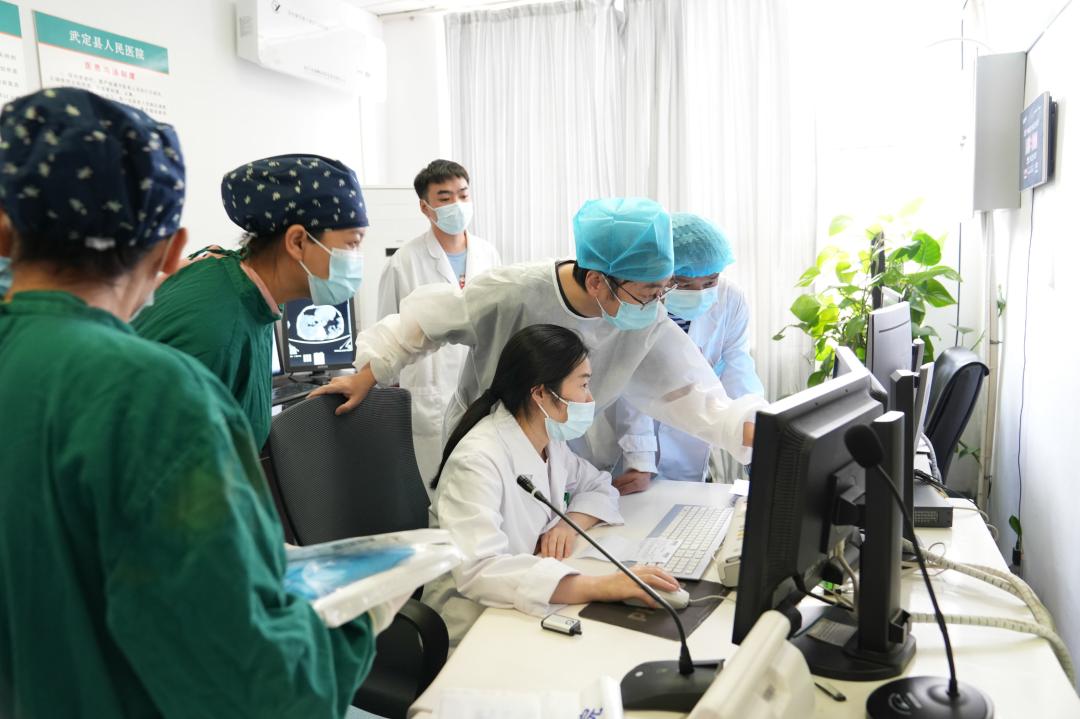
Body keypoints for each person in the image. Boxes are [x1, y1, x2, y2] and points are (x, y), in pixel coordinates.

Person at [0, 88, 387, 718]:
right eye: (353, 241)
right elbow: (257, 689)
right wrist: (359, 619)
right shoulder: (160, 390)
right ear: (169, 251)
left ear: (4, 229)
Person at [311, 197, 765, 473]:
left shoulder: (644, 317)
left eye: (663, 288)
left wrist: (756, 432)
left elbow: (691, 393)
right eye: (650, 291)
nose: (658, 302)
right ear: (597, 281)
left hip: (564, 458)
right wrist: (367, 374)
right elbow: (424, 322)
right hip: (488, 445)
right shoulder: (513, 292)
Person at [422, 324, 680, 643]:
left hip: (523, 602)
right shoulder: (477, 460)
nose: (589, 398)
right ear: (541, 393)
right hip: (473, 623)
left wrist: (567, 525)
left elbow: (599, 485)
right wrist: (603, 586)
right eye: (583, 385)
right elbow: (480, 571)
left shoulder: (549, 441)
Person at [133, 154, 367, 447]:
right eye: (352, 243)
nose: (357, 259)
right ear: (297, 242)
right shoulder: (216, 332)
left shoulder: (245, 291)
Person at [602, 213, 767, 491]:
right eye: (683, 283)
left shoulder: (730, 298)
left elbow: (738, 367)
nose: (699, 292)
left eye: (710, 281)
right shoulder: (638, 302)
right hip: (630, 440)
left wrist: (756, 426)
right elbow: (631, 386)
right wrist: (639, 458)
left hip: (691, 432)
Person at [378, 159, 500, 486]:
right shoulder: (404, 262)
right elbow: (385, 336)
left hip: (482, 392)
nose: (457, 204)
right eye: (445, 198)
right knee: (439, 488)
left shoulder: (488, 254)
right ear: (425, 207)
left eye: (463, 195)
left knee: (483, 484)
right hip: (430, 396)